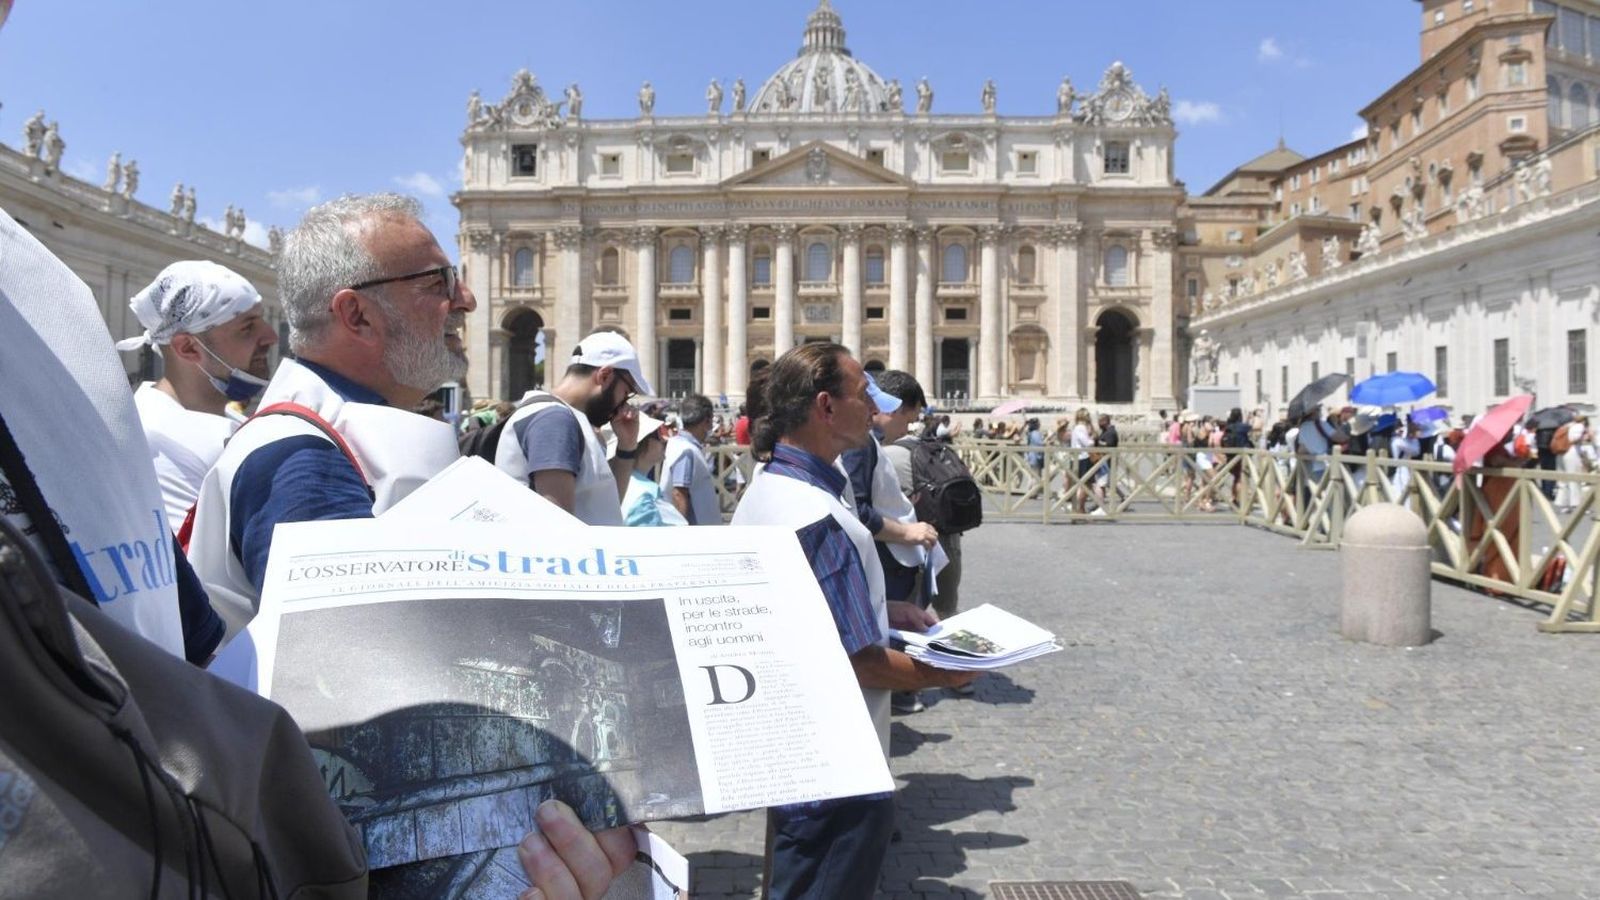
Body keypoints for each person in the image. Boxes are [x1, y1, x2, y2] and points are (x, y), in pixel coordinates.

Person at [732, 343, 973, 900]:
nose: (874, 408)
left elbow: (801, 605)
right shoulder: (818, 517)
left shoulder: (771, 489)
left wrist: (882, 608)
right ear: (826, 406)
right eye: (864, 395)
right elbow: (857, 661)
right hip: (838, 759)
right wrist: (948, 673)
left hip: (790, 750)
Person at [116, 261, 278, 532]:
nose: (271, 336)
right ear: (189, 348)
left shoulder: (228, 420)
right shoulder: (154, 442)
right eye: (247, 328)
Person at [840, 370, 941, 714]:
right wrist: (907, 531)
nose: (907, 427)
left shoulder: (867, 441)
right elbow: (856, 508)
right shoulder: (860, 443)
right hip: (888, 554)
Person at [495, 330, 647, 525]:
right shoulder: (555, 421)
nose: (624, 404)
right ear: (605, 375)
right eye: (627, 392)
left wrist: (627, 447)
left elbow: (602, 506)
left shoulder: (563, 418)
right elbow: (558, 528)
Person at [663, 393, 722, 525]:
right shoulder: (686, 450)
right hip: (694, 531)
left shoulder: (678, 444)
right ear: (706, 421)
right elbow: (679, 494)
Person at [621, 411, 686, 526]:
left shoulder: (620, 481)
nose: (664, 440)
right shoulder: (644, 494)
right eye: (658, 434)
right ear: (642, 442)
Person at [1091, 412, 1119, 514]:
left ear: (1105, 421)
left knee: (1102, 483)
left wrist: (1097, 442)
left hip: (1108, 460)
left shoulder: (1110, 432)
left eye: (1099, 422)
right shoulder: (1105, 431)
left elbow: (1109, 445)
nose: (1098, 424)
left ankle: (1101, 505)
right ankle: (1123, 497)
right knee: (1108, 482)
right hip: (1104, 460)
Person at [1069, 407, 1095, 513]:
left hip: (1077, 457)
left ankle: (1079, 507)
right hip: (1082, 458)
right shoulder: (1080, 428)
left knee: (1082, 484)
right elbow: (1086, 443)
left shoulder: (1077, 427)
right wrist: (1093, 440)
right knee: (1085, 484)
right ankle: (1080, 507)